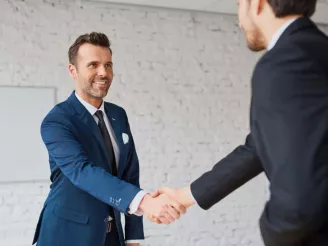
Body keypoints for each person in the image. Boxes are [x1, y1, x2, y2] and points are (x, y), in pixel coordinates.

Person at [153, 0, 328, 245]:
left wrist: (273, 232)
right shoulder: (318, 50)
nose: (239, 19)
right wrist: (184, 196)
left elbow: (299, 199)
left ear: (255, 4)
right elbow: (258, 147)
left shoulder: (283, 64)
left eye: (238, 4)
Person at [32, 32, 185, 246]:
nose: (103, 73)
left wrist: (133, 236)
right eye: (93, 65)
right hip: (67, 235)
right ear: (73, 71)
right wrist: (145, 201)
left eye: (108, 65)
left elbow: (130, 174)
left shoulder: (118, 114)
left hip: (113, 236)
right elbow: (82, 171)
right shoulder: (57, 121)